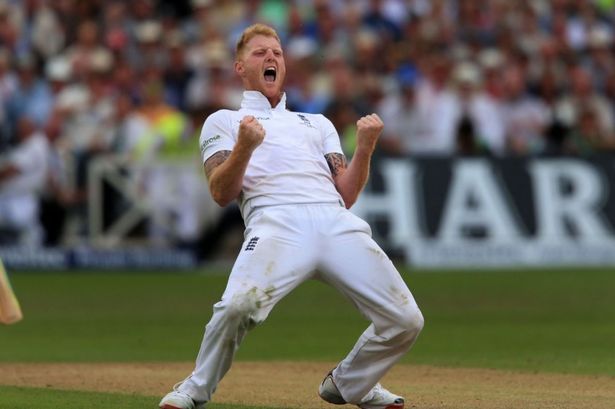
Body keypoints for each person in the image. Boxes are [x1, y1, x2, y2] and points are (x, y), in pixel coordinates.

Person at [159, 23, 424, 409]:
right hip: (275, 222)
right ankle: (194, 390)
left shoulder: (316, 123)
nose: (271, 57)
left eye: (277, 53)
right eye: (260, 52)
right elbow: (220, 192)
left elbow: (346, 194)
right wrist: (245, 148)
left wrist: (365, 148)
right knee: (238, 307)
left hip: (334, 221)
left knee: (406, 320)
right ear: (239, 67)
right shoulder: (224, 121)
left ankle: (348, 383)